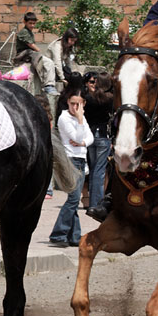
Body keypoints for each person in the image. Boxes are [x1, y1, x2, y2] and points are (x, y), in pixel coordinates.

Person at [49, 86, 94, 247]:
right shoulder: (65, 118)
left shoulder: (81, 118)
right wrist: (81, 122)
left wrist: (82, 141)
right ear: (67, 102)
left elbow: (89, 138)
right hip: (71, 160)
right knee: (74, 199)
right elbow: (77, 136)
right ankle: (58, 233)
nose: (75, 107)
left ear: (84, 104)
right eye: (72, 103)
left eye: (78, 104)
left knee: (73, 201)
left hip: (81, 160)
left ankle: (74, 236)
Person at [83, 72, 114, 220]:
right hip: (103, 135)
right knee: (100, 171)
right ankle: (96, 203)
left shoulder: (89, 98)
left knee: (93, 167)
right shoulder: (110, 99)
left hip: (90, 134)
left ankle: (92, 201)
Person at [13, 12, 58, 95]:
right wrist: (39, 51)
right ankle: (49, 85)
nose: (32, 25)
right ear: (24, 22)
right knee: (48, 62)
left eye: (34, 23)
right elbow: (30, 44)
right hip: (24, 54)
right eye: (30, 23)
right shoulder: (24, 32)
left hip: (30, 54)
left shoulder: (29, 32)